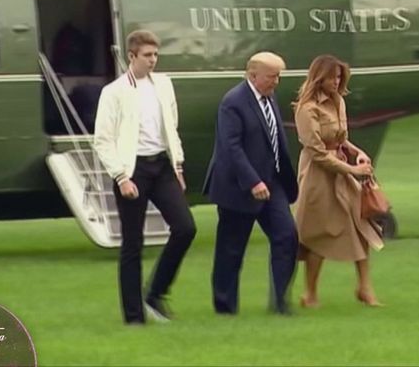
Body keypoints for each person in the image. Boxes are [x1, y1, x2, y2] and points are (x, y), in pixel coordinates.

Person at [93, 29, 197, 325]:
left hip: (162, 166)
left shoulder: (163, 84)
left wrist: (178, 166)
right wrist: (121, 177)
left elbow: (172, 127)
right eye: (147, 55)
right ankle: (134, 317)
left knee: (185, 228)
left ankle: (155, 293)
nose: (153, 60)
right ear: (131, 56)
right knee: (132, 243)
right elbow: (103, 140)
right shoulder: (114, 92)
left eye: (155, 55)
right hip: (132, 169)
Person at [203, 51, 299, 316]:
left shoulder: (270, 98)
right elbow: (231, 147)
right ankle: (225, 308)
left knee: (287, 236)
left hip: (273, 183)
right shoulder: (233, 102)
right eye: (271, 76)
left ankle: (280, 302)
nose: (276, 82)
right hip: (239, 187)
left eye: (278, 76)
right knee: (231, 251)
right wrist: (253, 181)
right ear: (253, 75)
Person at [292, 54, 384, 309]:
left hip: (342, 169)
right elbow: (317, 152)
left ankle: (364, 287)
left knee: (361, 224)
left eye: (339, 77)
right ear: (319, 78)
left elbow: (341, 139)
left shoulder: (338, 101)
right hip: (318, 176)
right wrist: (352, 170)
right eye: (332, 77)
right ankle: (310, 293)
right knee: (319, 231)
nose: (336, 82)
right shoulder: (307, 109)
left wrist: (358, 153)